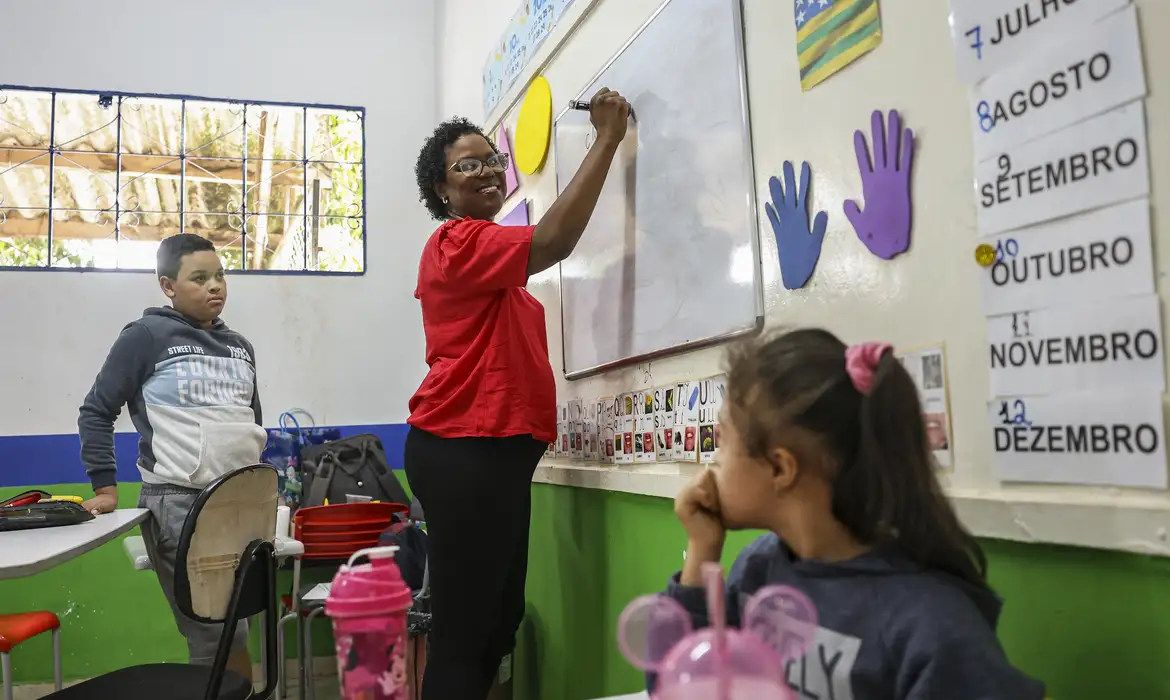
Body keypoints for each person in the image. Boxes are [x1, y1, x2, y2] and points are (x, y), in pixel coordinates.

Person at [662, 329, 1045, 699]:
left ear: (780, 469)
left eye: (723, 443)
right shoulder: (759, 569)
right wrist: (701, 549)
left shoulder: (930, 625)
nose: (712, 464)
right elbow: (678, 684)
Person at [406, 87, 631, 699]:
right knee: (464, 633)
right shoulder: (455, 243)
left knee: (495, 625)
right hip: (462, 451)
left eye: (490, 160)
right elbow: (554, 241)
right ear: (442, 192)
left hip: (492, 459)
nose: (484, 170)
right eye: (466, 164)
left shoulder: (495, 272)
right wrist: (607, 139)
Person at [78, 233, 267, 680]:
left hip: (241, 504)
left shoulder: (241, 347)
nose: (214, 286)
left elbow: (251, 423)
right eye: (199, 278)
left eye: (219, 275)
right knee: (210, 633)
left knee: (237, 629)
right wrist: (105, 488)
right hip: (179, 502)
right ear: (168, 286)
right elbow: (96, 411)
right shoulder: (146, 336)